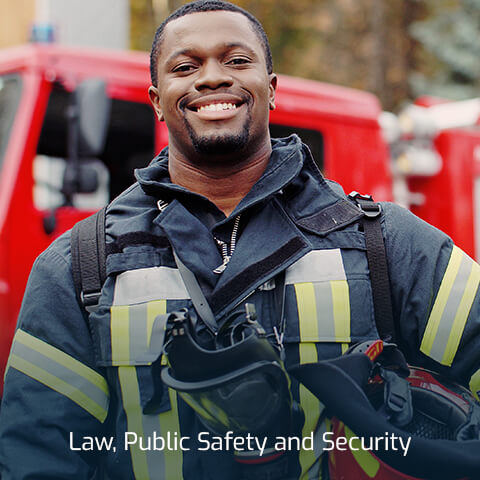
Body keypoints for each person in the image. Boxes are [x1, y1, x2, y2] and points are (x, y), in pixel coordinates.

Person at [0, 1, 479, 479]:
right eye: (185, 66)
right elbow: (37, 453)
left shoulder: (385, 244)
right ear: (157, 100)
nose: (211, 78)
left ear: (270, 90)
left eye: (236, 60)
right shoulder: (80, 265)